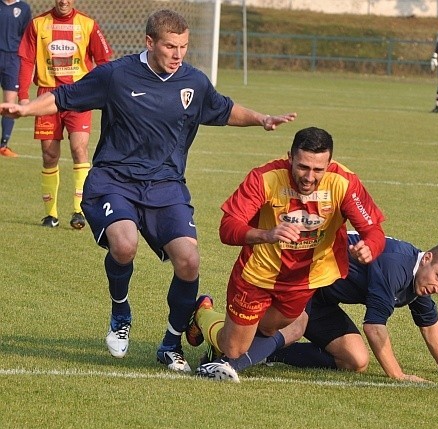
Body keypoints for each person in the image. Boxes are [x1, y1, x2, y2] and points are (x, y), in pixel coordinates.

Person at [0, 9, 298, 373]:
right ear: (150, 43)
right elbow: (64, 97)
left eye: (183, 47)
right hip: (115, 180)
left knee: (189, 261)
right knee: (124, 244)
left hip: (166, 185)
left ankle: (171, 342)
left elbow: (222, 109)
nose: (178, 54)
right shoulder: (116, 75)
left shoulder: (193, 81)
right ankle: (120, 313)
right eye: (171, 46)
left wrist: (261, 119)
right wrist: (25, 108)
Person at [185, 126, 387, 382]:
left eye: (318, 170)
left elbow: (373, 230)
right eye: (303, 167)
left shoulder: (344, 183)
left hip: (303, 281)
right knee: (234, 347)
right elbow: (227, 228)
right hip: (258, 275)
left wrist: (370, 246)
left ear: (329, 163)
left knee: (269, 329)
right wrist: (267, 234)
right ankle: (203, 312)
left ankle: (240, 343)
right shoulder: (265, 178)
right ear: (290, 157)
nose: (309, 177)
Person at [266, 232, 438, 382]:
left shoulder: (421, 279)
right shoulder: (396, 266)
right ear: (427, 259)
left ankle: (271, 354)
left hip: (323, 298)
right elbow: (374, 327)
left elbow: (429, 322)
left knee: (356, 360)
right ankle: (241, 351)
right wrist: (398, 375)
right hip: (302, 279)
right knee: (291, 329)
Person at [18, 0, 113, 229]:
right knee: (49, 154)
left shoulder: (88, 25)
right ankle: (50, 215)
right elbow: (27, 60)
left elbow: (104, 61)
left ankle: (79, 211)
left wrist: (102, 91)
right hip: (47, 95)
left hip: (79, 96)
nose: (63, 1)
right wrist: (23, 96)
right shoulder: (38, 24)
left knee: (79, 148)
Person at [0, 0, 31, 157]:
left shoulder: (23, 8)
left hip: (13, 59)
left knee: (9, 103)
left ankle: (3, 145)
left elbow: (27, 36)